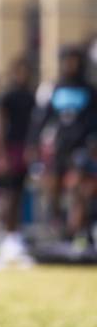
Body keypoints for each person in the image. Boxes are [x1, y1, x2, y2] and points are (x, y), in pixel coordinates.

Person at [28, 44, 97, 236]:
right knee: (52, 187)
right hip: (60, 147)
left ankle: (76, 231)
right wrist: (33, 144)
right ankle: (57, 227)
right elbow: (41, 120)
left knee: (77, 188)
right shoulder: (55, 88)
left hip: (82, 147)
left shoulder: (89, 90)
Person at [0, 55, 37, 266]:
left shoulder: (32, 96)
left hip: (24, 150)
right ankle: (3, 238)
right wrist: (0, 155)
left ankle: (13, 237)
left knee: (17, 194)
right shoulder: (6, 97)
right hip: (10, 150)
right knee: (8, 195)